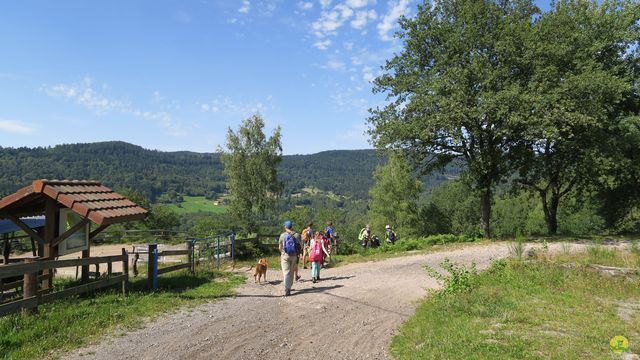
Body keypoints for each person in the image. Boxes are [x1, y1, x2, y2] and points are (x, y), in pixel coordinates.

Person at [279, 220, 302, 297]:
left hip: (285, 255)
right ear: (292, 226)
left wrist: (282, 253)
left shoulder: (282, 235)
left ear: (285, 227)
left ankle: (287, 289)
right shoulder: (297, 235)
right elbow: (301, 245)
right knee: (291, 271)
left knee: (286, 272)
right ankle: (289, 287)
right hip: (294, 256)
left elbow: (280, 247)